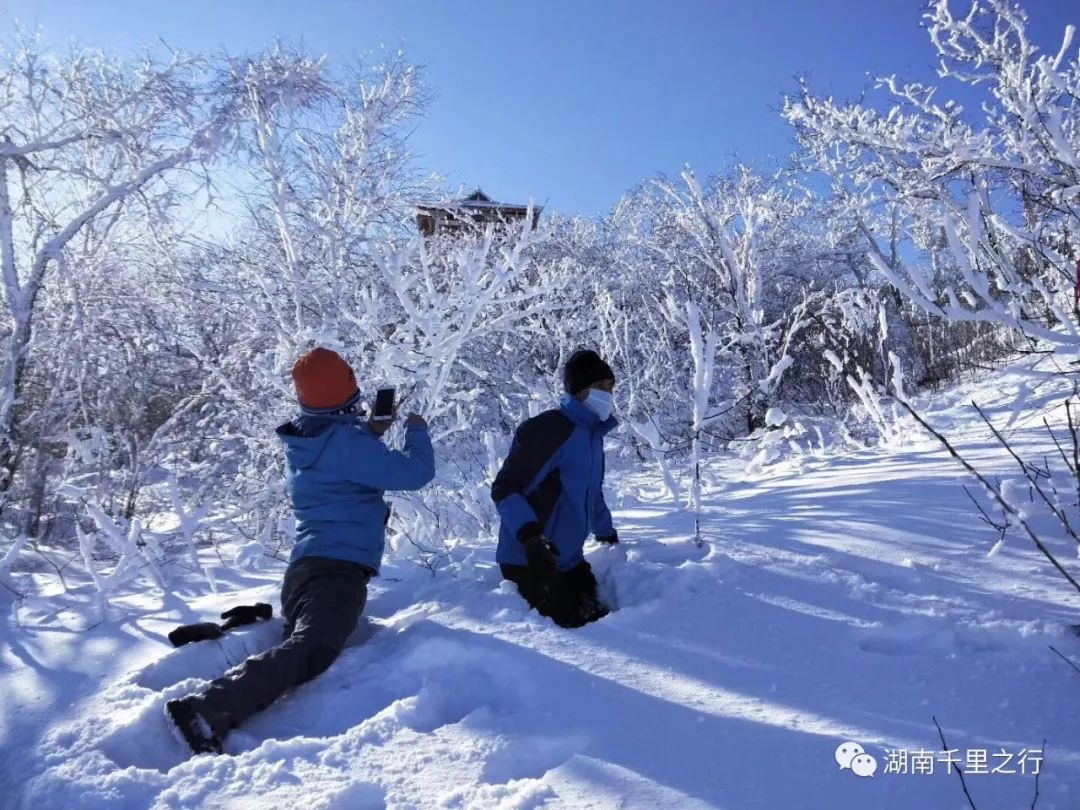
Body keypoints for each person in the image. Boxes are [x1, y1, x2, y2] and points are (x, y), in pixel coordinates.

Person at [165, 347, 434, 755]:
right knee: (314, 648)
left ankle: (230, 677)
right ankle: (206, 709)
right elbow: (415, 473)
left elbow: (339, 457)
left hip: (307, 568)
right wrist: (416, 430)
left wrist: (372, 433)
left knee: (303, 644)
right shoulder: (347, 445)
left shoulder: (307, 437)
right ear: (349, 390)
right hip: (336, 573)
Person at [491, 349, 619, 628]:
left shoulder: (593, 436)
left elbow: (591, 495)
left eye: (610, 386)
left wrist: (608, 534)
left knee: (607, 624)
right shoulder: (550, 429)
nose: (607, 393)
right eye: (599, 386)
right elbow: (505, 487)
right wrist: (530, 538)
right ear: (578, 391)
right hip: (530, 562)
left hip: (570, 560)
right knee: (580, 637)